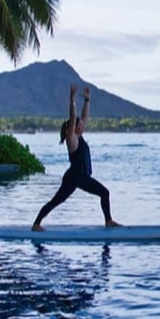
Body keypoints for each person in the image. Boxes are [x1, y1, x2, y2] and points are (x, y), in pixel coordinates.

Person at [32, 84, 120, 231]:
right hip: (72, 178)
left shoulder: (80, 136)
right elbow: (74, 117)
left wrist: (87, 100)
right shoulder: (72, 139)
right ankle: (36, 224)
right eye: (80, 125)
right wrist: (72, 99)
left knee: (104, 193)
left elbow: (83, 117)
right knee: (56, 201)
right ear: (74, 127)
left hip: (83, 178)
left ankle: (108, 221)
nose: (83, 125)